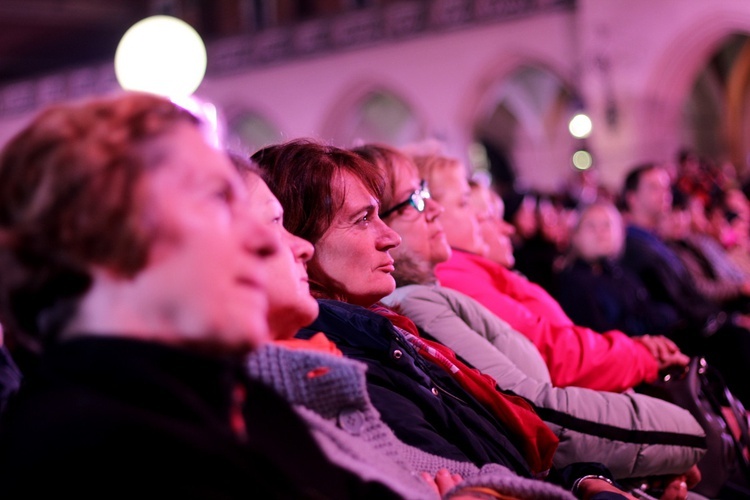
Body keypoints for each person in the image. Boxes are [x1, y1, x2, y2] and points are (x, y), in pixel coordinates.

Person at [0, 93, 401, 498]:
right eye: (217, 199)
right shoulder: (92, 455)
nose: (268, 242)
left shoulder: (238, 401)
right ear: (95, 235)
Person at [252, 138, 661, 500]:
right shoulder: (353, 354)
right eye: (364, 219)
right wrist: (679, 428)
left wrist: (581, 478)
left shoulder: (389, 329)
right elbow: (547, 376)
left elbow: (499, 456)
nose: (391, 235)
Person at [355, 143, 704, 490]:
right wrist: (678, 430)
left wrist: (593, 476)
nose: (436, 210)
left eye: (430, 195)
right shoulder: (429, 294)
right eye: (470, 206)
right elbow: (536, 400)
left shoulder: (436, 290)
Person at [411, 153, 687, 393]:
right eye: (466, 206)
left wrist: (634, 349)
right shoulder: (456, 277)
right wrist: (639, 355)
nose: (505, 228)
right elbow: (552, 354)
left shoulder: (477, 273)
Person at [620, 163, 750, 406]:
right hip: (683, 337)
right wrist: (724, 321)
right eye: (654, 188)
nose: (664, 194)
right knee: (739, 341)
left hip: (700, 325)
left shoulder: (657, 241)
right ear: (632, 197)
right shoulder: (634, 245)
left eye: (666, 187)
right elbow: (677, 299)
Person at [557, 201, 680, 336]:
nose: (600, 233)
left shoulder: (620, 273)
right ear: (576, 235)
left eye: (607, 225)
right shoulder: (572, 282)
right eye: (591, 226)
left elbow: (649, 310)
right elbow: (600, 333)